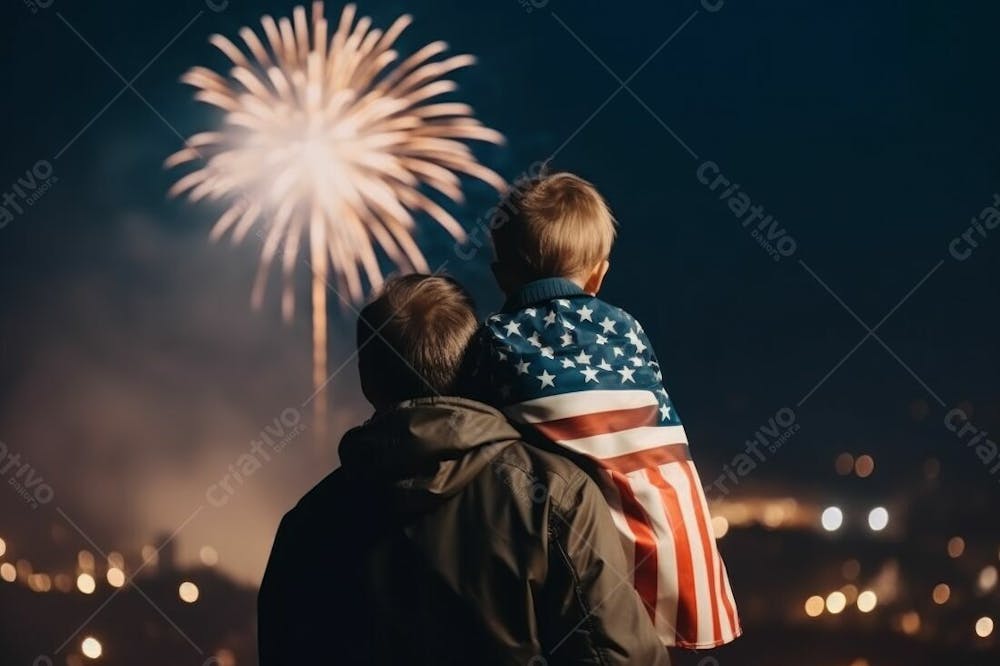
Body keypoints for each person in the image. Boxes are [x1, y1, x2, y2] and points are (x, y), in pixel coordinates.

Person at [257, 274, 669, 665]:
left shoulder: (307, 525)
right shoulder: (555, 497)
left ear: (368, 380)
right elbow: (618, 655)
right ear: (475, 365)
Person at [475, 171, 741, 649]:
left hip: (585, 566)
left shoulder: (494, 340)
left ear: (501, 277)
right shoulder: (628, 330)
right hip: (674, 554)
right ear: (599, 274)